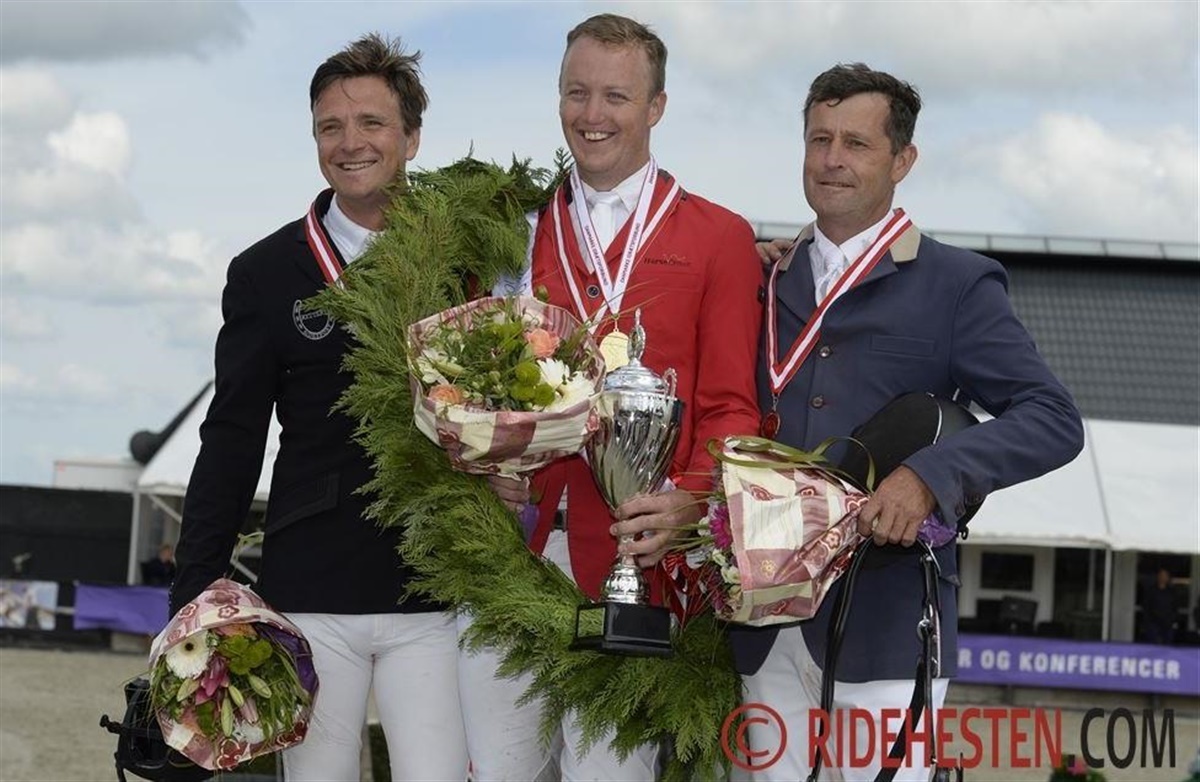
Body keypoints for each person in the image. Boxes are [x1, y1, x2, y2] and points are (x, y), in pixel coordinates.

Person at [738, 63, 1085, 781]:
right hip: (761, 624)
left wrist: (930, 477)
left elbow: (1053, 418)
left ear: (902, 160)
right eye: (819, 139)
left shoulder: (957, 284)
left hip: (889, 624)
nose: (832, 159)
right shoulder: (762, 276)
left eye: (857, 143)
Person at [466, 13, 763, 781]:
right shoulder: (512, 231)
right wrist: (481, 459)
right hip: (510, 553)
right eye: (576, 92)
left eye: (616, 97)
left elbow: (732, 406)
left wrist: (692, 500)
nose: (591, 115)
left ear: (656, 107)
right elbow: (468, 379)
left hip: (637, 565)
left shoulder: (720, 237)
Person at [170, 34, 467, 781]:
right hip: (311, 592)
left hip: (434, 587)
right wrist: (194, 588)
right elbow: (233, 437)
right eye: (330, 127)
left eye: (371, 123)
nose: (349, 142)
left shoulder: (464, 259)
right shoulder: (266, 272)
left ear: (411, 138)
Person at [1141, 567, 1179, 644]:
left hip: (1168, 624)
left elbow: (1175, 607)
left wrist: (1173, 620)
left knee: (1167, 644)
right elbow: (1146, 607)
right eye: (1161, 575)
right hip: (1154, 624)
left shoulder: (1172, 592)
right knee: (1155, 644)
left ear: (1168, 578)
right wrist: (1147, 622)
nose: (1163, 577)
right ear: (1158, 576)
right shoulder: (1151, 591)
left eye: (1165, 575)